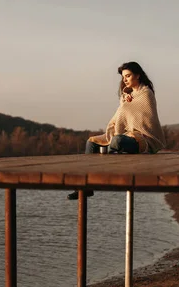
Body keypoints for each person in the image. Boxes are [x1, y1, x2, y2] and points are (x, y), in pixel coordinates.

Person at [67, 61, 167, 200]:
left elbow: (139, 116)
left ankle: (105, 174)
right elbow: (122, 115)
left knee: (117, 140)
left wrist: (126, 104)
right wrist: (124, 101)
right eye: (123, 77)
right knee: (92, 142)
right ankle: (85, 187)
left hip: (143, 138)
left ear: (137, 75)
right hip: (126, 135)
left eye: (128, 76)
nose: (125, 79)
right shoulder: (127, 96)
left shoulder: (146, 93)